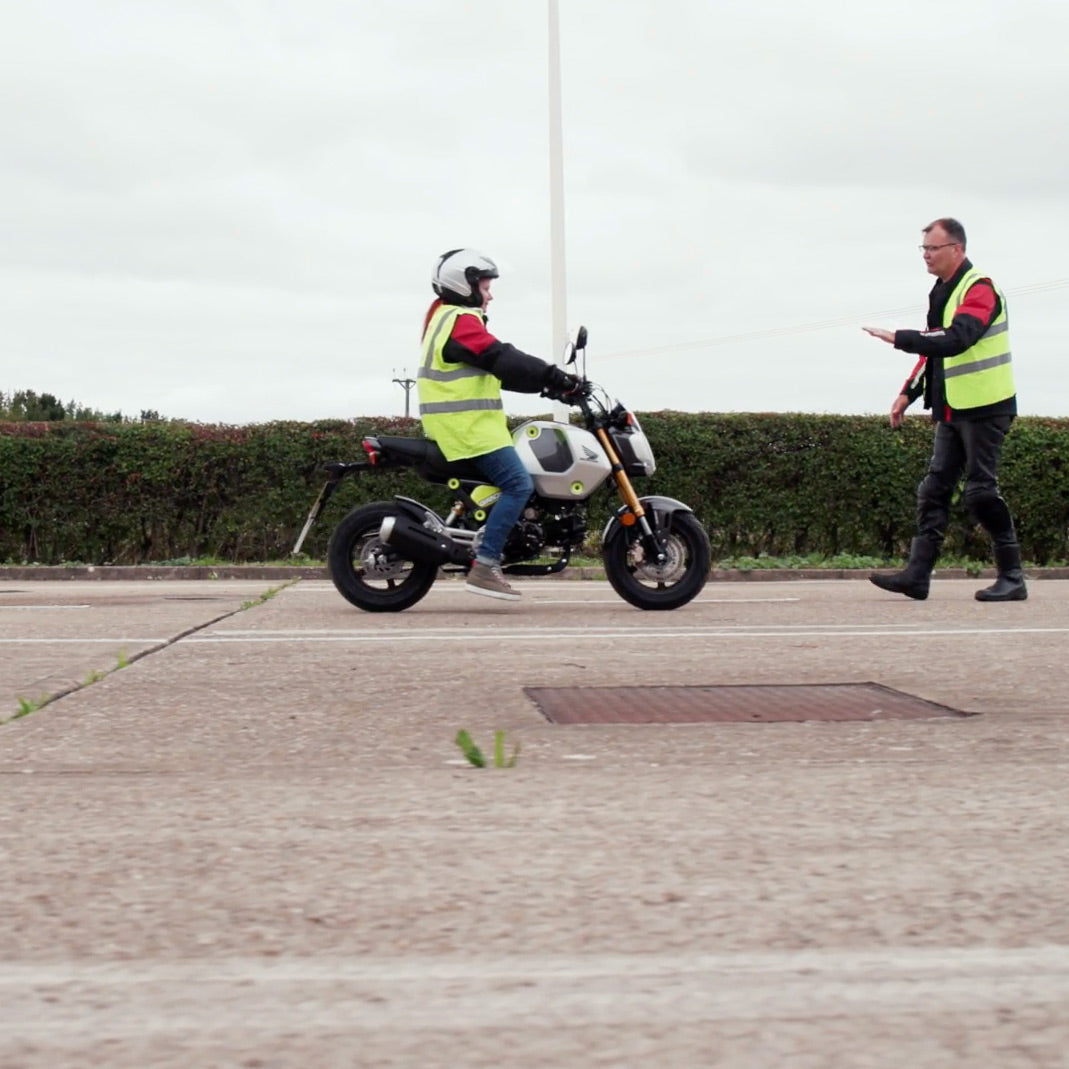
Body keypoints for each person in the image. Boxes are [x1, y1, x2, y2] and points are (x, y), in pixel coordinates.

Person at [863, 217, 1025, 602]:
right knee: (934, 489)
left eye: (932, 249)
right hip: (953, 408)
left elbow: (957, 339)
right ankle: (917, 577)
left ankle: (1013, 577)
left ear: (957, 249)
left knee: (980, 493)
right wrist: (908, 393)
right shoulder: (942, 291)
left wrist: (900, 338)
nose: (926, 256)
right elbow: (935, 350)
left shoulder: (980, 289)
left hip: (987, 406)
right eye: (923, 249)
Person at [417, 248, 582, 601]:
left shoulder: (446, 319)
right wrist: (556, 376)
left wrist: (548, 387)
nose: (490, 295)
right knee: (519, 485)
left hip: (466, 429)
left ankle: (487, 541)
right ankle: (487, 563)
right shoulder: (460, 320)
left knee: (511, 485)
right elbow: (501, 356)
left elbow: (498, 370)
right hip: (468, 431)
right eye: (486, 286)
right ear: (464, 285)